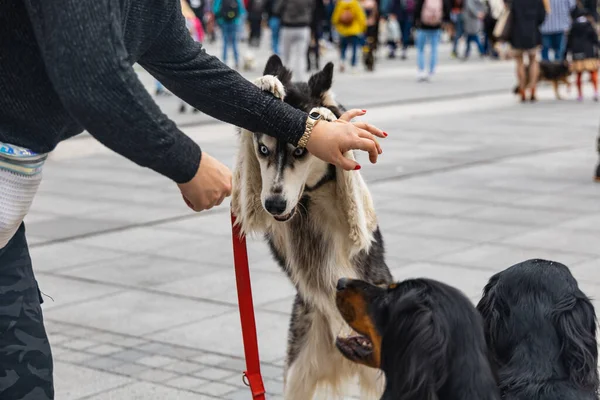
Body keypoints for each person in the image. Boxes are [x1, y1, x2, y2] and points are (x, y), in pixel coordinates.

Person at [0, 1, 387, 398]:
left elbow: (187, 63)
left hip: (8, 212)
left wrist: (307, 131)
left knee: (24, 379)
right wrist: (188, 163)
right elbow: (92, 78)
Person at [509, 0, 547, 101]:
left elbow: (510, 15)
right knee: (533, 60)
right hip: (533, 33)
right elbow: (542, 17)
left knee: (519, 62)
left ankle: (522, 90)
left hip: (516, 34)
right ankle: (533, 89)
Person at [274, 0, 315, 79]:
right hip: (303, 27)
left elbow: (277, 9)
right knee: (301, 56)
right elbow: (313, 7)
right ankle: (300, 79)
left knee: (285, 56)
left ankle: (284, 79)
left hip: (288, 26)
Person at [566, 7, 599, 101]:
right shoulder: (589, 25)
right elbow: (595, 39)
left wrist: (566, 54)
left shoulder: (573, 26)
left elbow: (569, 42)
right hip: (589, 52)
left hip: (577, 53)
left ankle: (580, 94)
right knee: (593, 72)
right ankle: (596, 91)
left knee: (579, 75)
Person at [414, 0, 451, 81]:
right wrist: (444, 20)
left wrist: (415, 21)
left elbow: (417, 8)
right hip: (436, 26)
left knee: (420, 49)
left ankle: (421, 70)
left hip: (423, 26)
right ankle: (431, 70)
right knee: (434, 49)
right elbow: (447, 9)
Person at [332, 0, 368, 72]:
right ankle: (353, 64)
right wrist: (363, 27)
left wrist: (337, 26)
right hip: (355, 30)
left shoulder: (340, 3)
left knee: (343, 47)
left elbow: (335, 17)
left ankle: (342, 61)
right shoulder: (355, 3)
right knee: (354, 48)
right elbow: (361, 16)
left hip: (343, 30)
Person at [213, 0, 246, 68]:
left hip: (224, 21)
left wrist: (220, 19)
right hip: (234, 21)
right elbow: (242, 10)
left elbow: (215, 9)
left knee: (225, 41)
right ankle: (236, 61)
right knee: (234, 42)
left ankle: (224, 60)